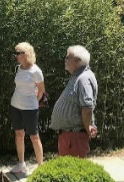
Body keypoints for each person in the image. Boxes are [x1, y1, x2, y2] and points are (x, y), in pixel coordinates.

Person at [49, 45, 98, 158]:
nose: (65, 60)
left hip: (74, 137)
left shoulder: (84, 78)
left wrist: (87, 127)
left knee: (72, 171)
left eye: (68, 58)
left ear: (77, 61)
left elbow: (87, 107)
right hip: (69, 136)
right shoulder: (77, 76)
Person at [9, 42, 45, 175]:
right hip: (15, 105)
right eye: (16, 53)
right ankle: (21, 164)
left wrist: (33, 102)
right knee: (19, 134)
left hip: (30, 108)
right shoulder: (18, 68)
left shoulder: (36, 71)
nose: (16, 56)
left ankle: (41, 167)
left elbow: (41, 90)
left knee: (34, 136)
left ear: (27, 54)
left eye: (19, 53)